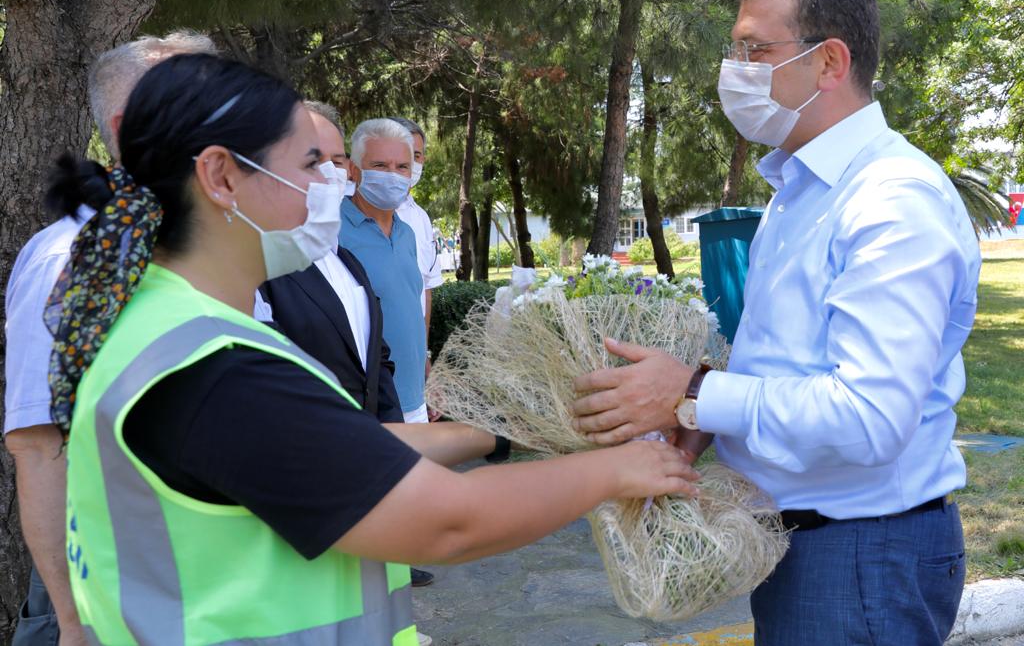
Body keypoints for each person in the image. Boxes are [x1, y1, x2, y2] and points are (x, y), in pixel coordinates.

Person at [49, 53, 698, 645]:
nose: (332, 183)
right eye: (309, 164)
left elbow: (341, 445)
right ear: (221, 176)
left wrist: (498, 432)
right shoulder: (217, 372)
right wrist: (617, 472)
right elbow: (451, 522)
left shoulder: (158, 323)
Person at [572, 0, 981, 646]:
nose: (735, 71)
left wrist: (694, 391)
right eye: (737, 49)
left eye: (755, 50)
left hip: (859, 558)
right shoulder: (801, 190)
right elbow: (792, 363)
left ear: (829, 62)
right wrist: (703, 423)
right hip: (810, 548)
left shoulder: (889, 199)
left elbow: (871, 416)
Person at [3, 30, 215, 646]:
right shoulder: (75, 257)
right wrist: (74, 622)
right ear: (131, 125)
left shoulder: (207, 243)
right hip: (106, 585)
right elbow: (41, 445)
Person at [259, 101, 404, 424]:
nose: (328, 173)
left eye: (336, 161)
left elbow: (376, 358)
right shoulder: (261, 266)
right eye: (312, 161)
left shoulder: (348, 262)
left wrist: (393, 432)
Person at [340, 119, 428, 423]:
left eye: (402, 167)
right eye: (380, 165)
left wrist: (426, 370)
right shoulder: (331, 232)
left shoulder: (407, 234)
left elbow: (411, 307)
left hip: (415, 400)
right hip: (370, 406)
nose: (393, 176)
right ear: (353, 169)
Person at [391, 117, 443, 382]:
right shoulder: (348, 212)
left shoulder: (421, 218)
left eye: (417, 155)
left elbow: (426, 291)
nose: (410, 163)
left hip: (411, 366)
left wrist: (423, 354)